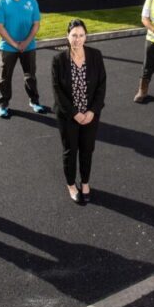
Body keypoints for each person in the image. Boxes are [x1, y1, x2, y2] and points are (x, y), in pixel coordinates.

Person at [51, 19, 106, 204]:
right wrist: (75, 113)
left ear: (86, 36)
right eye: (74, 35)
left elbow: (101, 85)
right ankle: (71, 185)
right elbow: (57, 90)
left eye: (81, 35)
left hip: (90, 114)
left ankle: (85, 182)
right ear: (67, 36)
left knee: (87, 150)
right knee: (70, 150)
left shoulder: (96, 55)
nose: (77, 39)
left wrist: (92, 111)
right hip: (68, 116)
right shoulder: (58, 60)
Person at [0, 0, 46, 118]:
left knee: (30, 76)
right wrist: (15, 45)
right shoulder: (1, 2)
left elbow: (36, 24)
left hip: (28, 46)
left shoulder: (31, 1)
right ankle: (3, 105)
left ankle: (34, 102)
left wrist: (26, 42)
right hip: (8, 47)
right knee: (4, 78)